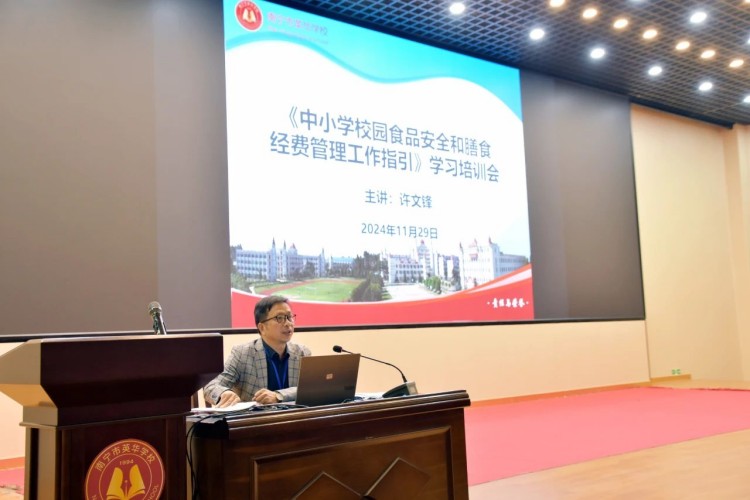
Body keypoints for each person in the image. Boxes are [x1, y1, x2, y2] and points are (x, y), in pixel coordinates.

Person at [204, 295, 311, 407]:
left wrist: (279, 396)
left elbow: (311, 388)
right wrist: (224, 393)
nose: (288, 323)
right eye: (279, 318)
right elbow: (211, 386)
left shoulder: (302, 352)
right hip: (256, 417)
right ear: (262, 328)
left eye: (289, 317)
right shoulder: (242, 353)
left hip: (293, 416)